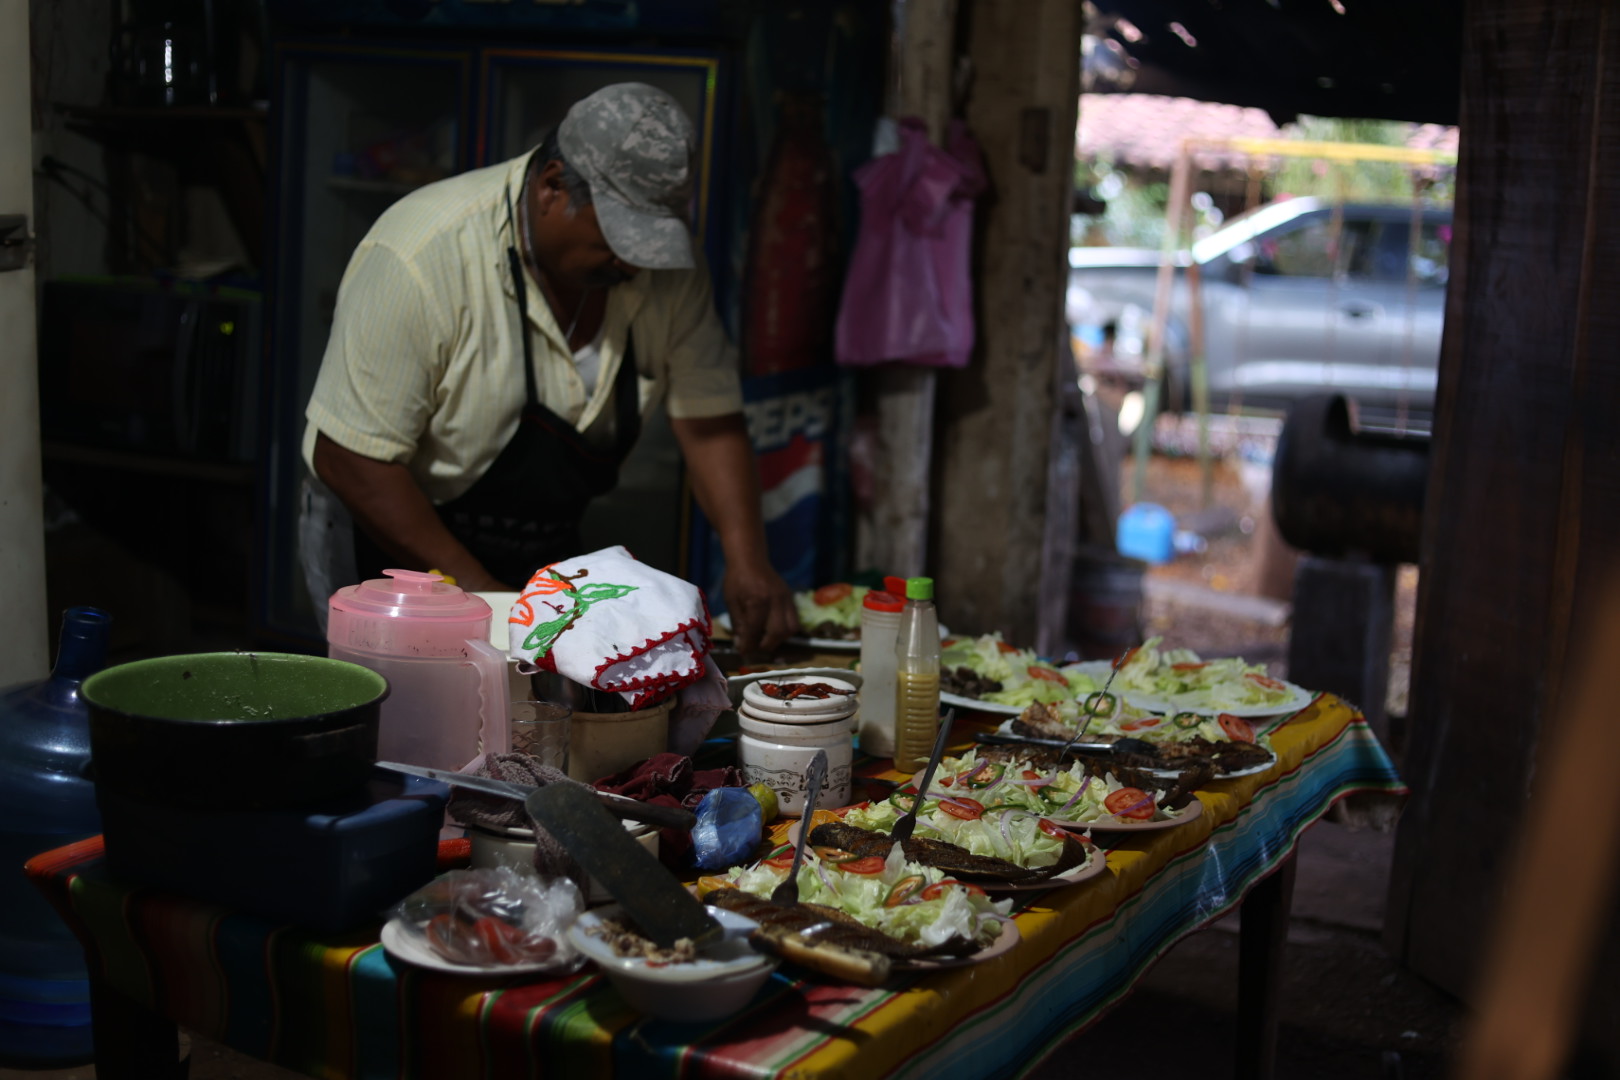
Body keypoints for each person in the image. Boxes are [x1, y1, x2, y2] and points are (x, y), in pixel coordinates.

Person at [298, 82, 798, 653]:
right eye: (620, 237)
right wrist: (484, 597)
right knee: (407, 721)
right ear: (552, 187)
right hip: (388, 542)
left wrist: (748, 560)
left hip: (534, 547)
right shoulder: (422, 254)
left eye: (652, 241)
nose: (636, 261)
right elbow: (352, 457)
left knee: (529, 727)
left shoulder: (663, 275)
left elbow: (709, 418)